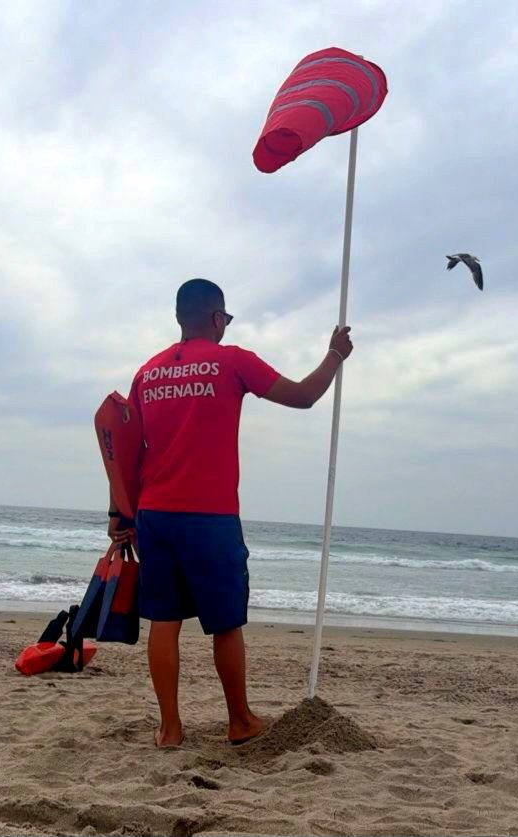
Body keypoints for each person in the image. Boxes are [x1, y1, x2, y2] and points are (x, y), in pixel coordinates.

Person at [118, 278, 352, 749]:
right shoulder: (232, 361)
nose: (225, 325)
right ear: (215, 317)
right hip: (209, 515)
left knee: (164, 620)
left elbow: (129, 451)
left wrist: (121, 515)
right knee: (225, 622)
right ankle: (240, 721)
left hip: (153, 514)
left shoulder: (147, 373)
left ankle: (169, 729)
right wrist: (335, 355)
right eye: (225, 317)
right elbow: (303, 395)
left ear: (180, 318)